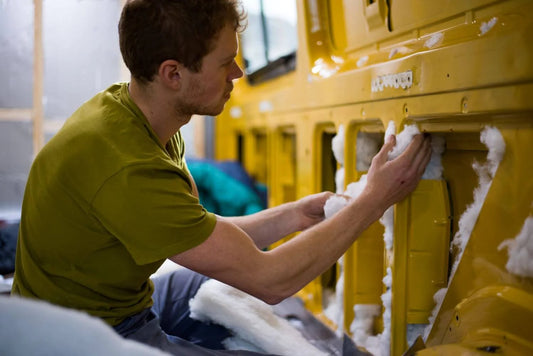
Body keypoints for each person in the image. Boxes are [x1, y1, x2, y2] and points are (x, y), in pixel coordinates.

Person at [11, 0, 432, 355]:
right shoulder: (126, 166)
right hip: (85, 335)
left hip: (127, 301)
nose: (239, 74)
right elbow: (271, 281)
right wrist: (373, 200)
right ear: (173, 74)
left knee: (211, 281)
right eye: (226, 62)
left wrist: (291, 216)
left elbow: (200, 235)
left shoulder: (140, 118)